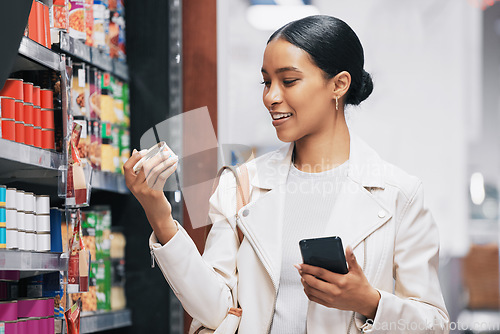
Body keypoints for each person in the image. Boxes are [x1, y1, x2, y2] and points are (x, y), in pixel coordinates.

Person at [123, 15, 450, 334]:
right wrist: (159, 213)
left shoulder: (398, 194)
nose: (270, 97)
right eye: (266, 81)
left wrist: (369, 302)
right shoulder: (241, 185)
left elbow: (434, 324)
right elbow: (213, 309)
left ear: (339, 84)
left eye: (288, 80)